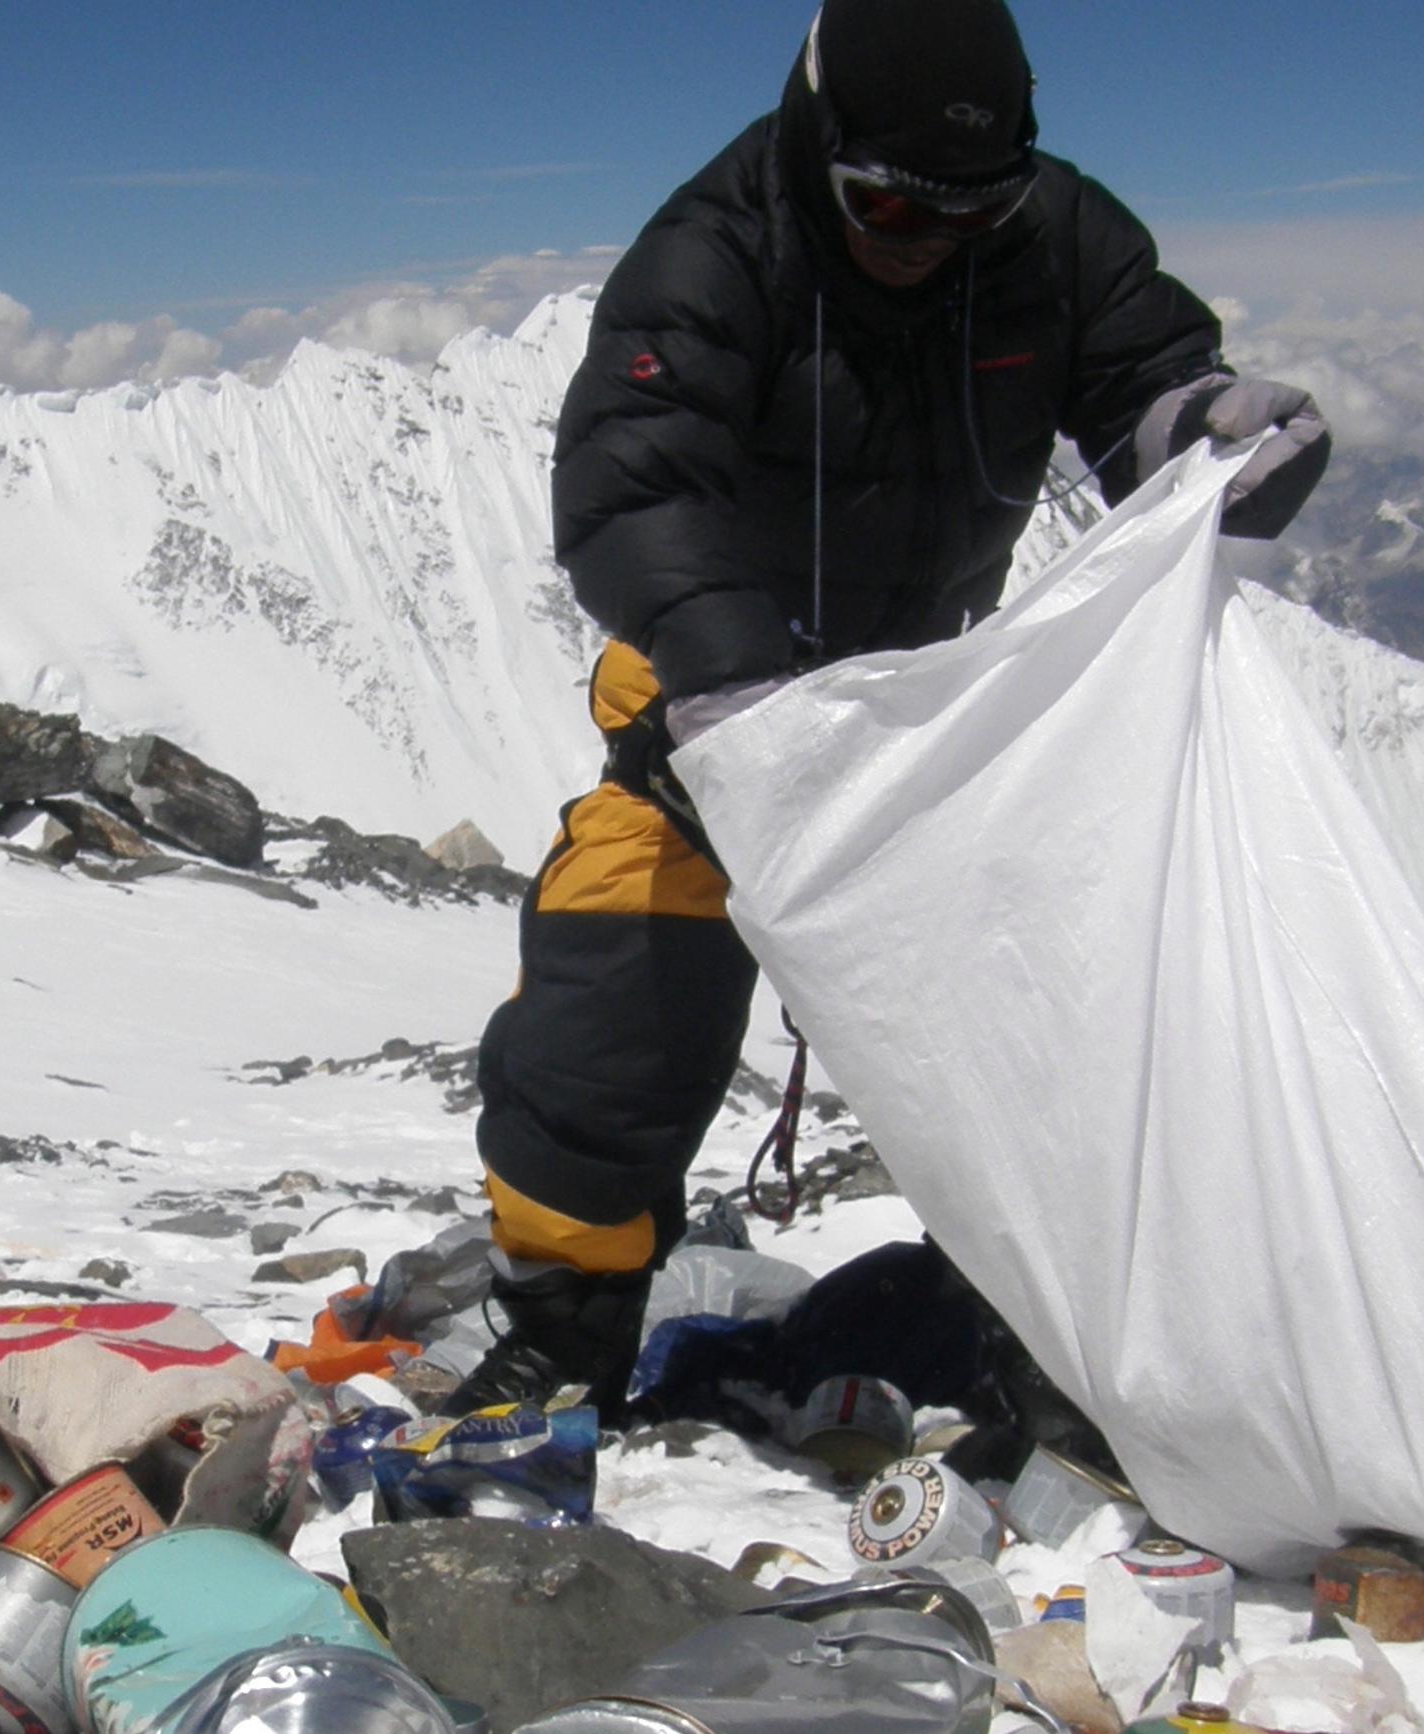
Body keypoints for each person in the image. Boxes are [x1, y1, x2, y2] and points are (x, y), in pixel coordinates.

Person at [458, 0, 1330, 1410]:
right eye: (887, 204)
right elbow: (634, 479)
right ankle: (565, 1330)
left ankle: (1049, 1341)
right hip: (705, 713)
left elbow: (1142, 386)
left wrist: (1207, 437)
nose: (927, 238)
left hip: (934, 713)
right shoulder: (717, 251)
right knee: (614, 1012)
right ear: (819, 140)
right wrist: (739, 692)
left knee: (1049, 1027)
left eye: (970, 209)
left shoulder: (1052, 238)